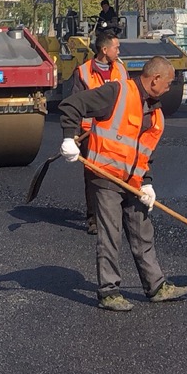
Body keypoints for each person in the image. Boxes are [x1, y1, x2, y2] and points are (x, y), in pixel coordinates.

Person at [58, 55, 187, 312]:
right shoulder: (117, 92)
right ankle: (109, 292)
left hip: (132, 181)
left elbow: (144, 154)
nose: (170, 87)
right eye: (169, 82)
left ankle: (156, 286)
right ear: (155, 79)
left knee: (142, 232)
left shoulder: (156, 115)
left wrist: (147, 184)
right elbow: (72, 104)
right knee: (110, 233)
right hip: (105, 176)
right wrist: (68, 139)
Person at [56, 29, 129, 237]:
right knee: (93, 178)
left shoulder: (121, 70)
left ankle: (115, 216)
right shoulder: (84, 72)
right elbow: (76, 104)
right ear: (104, 50)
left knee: (117, 175)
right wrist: (72, 136)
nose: (119, 50)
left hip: (117, 134)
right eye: (116, 47)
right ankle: (94, 219)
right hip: (92, 135)